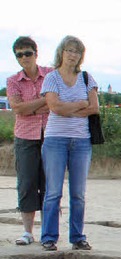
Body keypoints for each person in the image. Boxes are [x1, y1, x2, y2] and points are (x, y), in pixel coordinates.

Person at [40, 35, 99, 252]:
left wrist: (70, 107)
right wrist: (80, 105)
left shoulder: (86, 78)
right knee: (53, 191)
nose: (73, 55)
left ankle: (77, 236)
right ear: (61, 52)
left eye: (77, 51)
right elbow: (55, 107)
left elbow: (94, 108)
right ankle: (48, 237)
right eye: (69, 50)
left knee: (78, 193)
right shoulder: (51, 78)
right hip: (56, 139)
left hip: (81, 141)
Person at [6, 36, 52, 247]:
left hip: (51, 134)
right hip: (25, 136)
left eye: (27, 53)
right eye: (19, 55)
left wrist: (30, 106)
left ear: (36, 53)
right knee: (26, 183)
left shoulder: (51, 74)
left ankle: (48, 231)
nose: (24, 58)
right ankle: (27, 231)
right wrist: (45, 101)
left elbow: (58, 100)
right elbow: (18, 108)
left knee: (49, 184)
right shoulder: (13, 81)